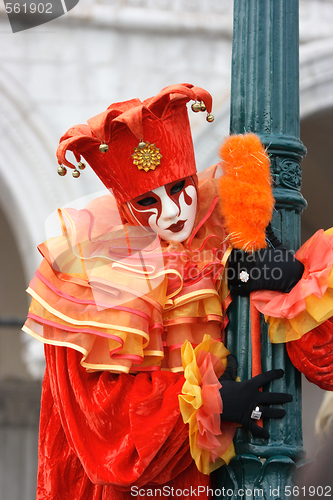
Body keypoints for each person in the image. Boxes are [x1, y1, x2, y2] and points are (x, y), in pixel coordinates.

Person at [22, 84, 332, 499]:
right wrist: (215, 403)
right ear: (123, 204)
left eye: (178, 188)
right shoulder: (91, 275)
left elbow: (322, 362)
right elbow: (104, 429)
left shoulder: (221, 238)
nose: (171, 213)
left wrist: (293, 279)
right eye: (147, 201)